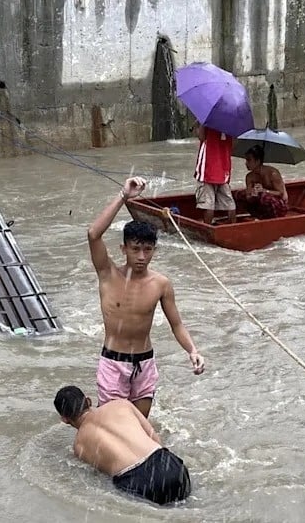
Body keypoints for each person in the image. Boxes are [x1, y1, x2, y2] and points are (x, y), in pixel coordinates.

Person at [87, 176, 205, 419]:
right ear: (124, 249)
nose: (141, 256)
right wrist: (123, 196)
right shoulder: (108, 274)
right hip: (113, 362)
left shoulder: (161, 284)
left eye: (147, 250)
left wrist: (192, 350)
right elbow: (93, 234)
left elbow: (177, 324)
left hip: (145, 363)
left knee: (139, 425)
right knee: (115, 427)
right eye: (135, 249)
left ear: (154, 251)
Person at [53, 385, 192, 505]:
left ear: (64, 419)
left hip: (138, 482)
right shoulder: (121, 404)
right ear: (88, 401)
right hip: (170, 467)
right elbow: (155, 439)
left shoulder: (79, 445)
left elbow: (102, 474)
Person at [193, 123, 236, 225]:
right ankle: (232, 226)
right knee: (229, 202)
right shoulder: (231, 124)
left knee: (208, 204)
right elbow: (233, 145)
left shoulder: (209, 120)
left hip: (208, 168)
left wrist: (198, 124)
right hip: (223, 168)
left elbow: (202, 137)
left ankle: (207, 229)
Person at [235, 145, 288, 219]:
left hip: (279, 205)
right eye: (246, 160)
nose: (246, 163)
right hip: (260, 205)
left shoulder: (273, 173)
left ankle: (271, 219)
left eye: (249, 160)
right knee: (239, 194)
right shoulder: (249, 176)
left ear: (257, 161)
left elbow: (280, 193)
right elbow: (248, 197)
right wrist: (252, 195)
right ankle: (257, 216)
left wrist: (264, 191)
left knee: (264, 197)